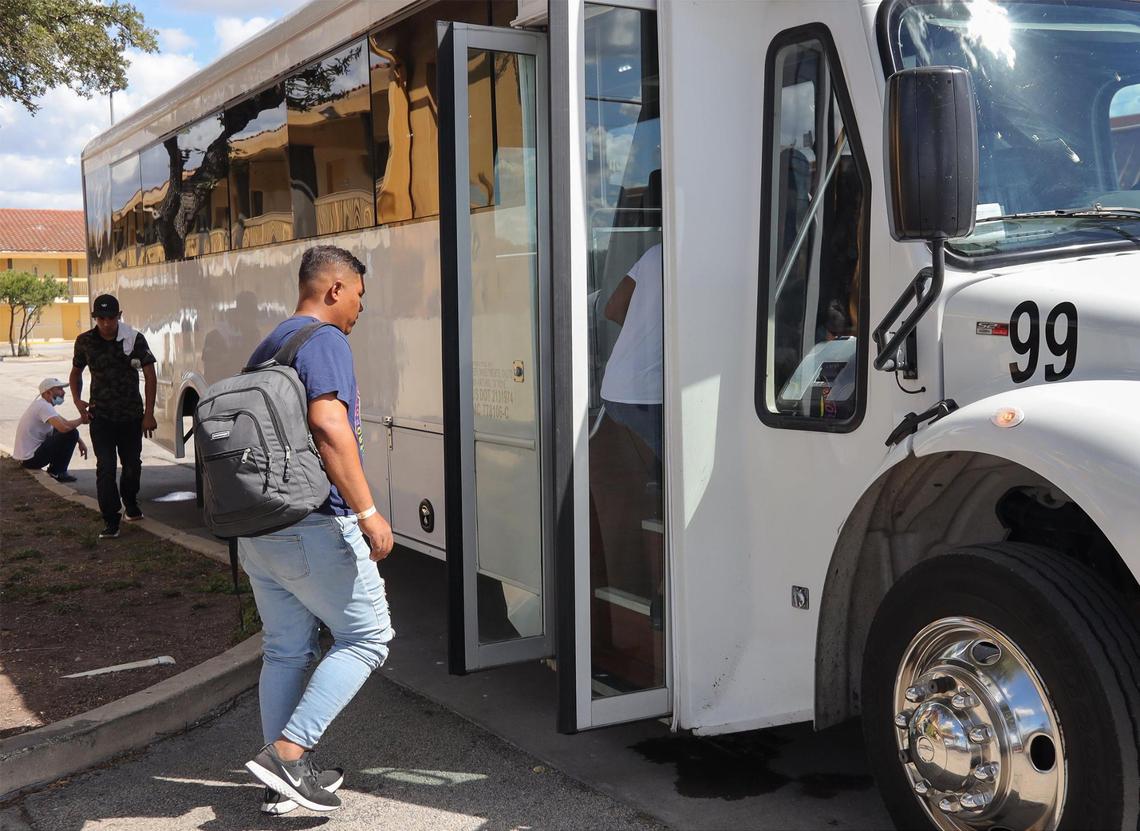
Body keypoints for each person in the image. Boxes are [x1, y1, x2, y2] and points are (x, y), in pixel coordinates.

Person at [239, 245, 395, 816]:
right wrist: (367, 510)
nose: (360, 307)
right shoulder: (326, 340)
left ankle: (281, 784)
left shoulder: (272, 342)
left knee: (285, 650)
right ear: (334, 289)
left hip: (260, 527)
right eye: (359, 294)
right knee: (368, 638)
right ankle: (288, 754)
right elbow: (329, 424)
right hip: (312, 523)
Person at [70, 294, 158, 540]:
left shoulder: (134, 339)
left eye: (111, 318)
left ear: (119, 316)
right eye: (101, 318)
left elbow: (150, 375)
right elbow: (75, 373)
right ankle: (110, 519)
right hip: (102, 417)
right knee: (105, 468)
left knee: (132, 466)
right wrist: (78, 401)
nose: (107, 323)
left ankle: (130, 501)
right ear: (94, 318)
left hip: (131, 417)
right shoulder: (85, 342)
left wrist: (148, 414)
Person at [600, 242, 664, 465]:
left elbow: (612, 309)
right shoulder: (696, 257)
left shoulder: (654, 253)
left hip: (613, 389)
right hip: (646, 397)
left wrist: (643, 332)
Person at [13, 378, 88, 482]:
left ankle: (56, 471)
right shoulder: (43, 407)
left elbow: (65, 422)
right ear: (48, 392)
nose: (63, 392)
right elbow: (64, 428)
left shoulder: (43, 405)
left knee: (68, 432)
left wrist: (80, 442)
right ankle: (57, 472)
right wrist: (82, 419)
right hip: (30, 459)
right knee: (70, 433)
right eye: (59, 389)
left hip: (26, 458)